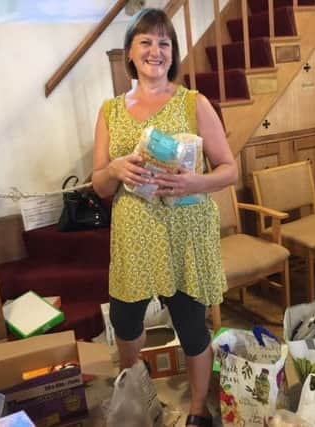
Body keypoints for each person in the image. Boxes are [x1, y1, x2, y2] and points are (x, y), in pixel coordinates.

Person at [91, 8, 237, 427]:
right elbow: (99, 184)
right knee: (125, 320)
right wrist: (115, 169)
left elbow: (229, 168)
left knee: (192, 326)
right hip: (133, 235)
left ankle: (197, 411)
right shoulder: (110, 111)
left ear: (173, 55)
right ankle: (136, 396)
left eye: (164, 43)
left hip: (184, 232)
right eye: (146, 42)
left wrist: (193, 183)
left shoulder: (195, 103)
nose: (156, 51)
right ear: (131, 54)